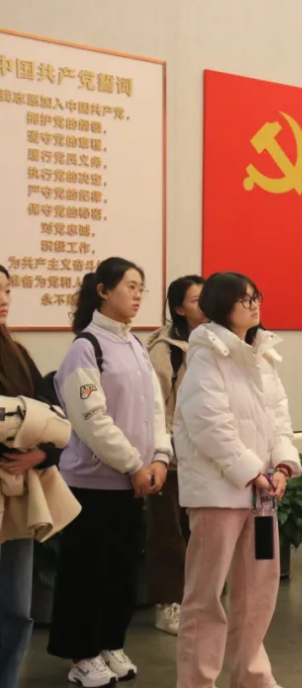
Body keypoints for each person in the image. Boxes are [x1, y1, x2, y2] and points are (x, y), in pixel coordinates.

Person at [173, 272, 301, 688]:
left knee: (258, 591)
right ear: (219, 305)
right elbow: (209, 424)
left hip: (261, 498)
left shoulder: (262, 353)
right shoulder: (206, 354)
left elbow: (279, 415)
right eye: (243, 299)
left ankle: (251, 675)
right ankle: (197, 681)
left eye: (256, 296)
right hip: (218, 495)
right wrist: (252, 472)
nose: (253, 304)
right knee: (205, 596)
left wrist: (282, 465)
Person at [49, 258, 172, 687]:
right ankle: (81, 655)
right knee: (85, 573)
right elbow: (91, 420)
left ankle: (109, 644)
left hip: (132, 484)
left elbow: (156, 410)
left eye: (141, 288)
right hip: (91, 485)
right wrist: (134, 464)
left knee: (121, 570)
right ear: (103, 291)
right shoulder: (86, 347)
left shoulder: (135, 345)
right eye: (130, 286)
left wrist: (160, 457)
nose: (138, 295)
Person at [0, 265, 75, 687]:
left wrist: (40, 454)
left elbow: (53, 417)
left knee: (15, 607)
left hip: (18, 496)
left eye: (7, 290)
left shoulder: (17, 353)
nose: (3, 299)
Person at [144, 274, 205, 636]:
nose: (205, 306)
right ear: (180, 308)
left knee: (200, 532)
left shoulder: (216, 341)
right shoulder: (165, 350)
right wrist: (162, 451)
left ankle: (196, 600)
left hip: (205, 457)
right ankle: (168, 604)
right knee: (168, 533)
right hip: (171, 457)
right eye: (197, 300)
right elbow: (154, 408)